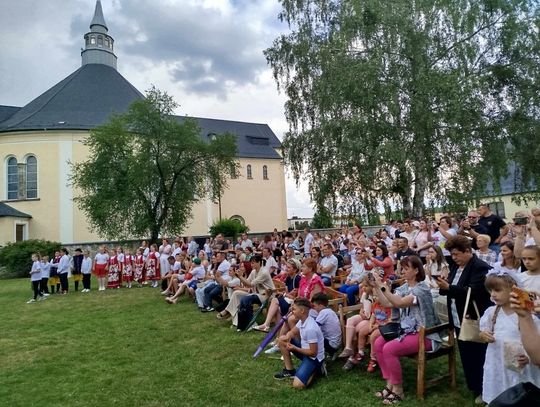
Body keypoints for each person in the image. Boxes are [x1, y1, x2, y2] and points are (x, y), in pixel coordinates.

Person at [371, 255, 442, 404]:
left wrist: (383, 286)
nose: (402, 271)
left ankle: (398, 390)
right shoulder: (404, 287)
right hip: (407, 331)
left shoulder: (421, 289)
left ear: (416, 270)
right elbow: (387, 303)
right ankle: (389, 383)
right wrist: (376, 286)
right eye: (401, 268)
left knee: (389, 349)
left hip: (426, 334)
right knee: (378, 343)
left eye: (405, 268)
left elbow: (400, 303)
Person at [436, 235, 492, 404]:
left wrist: (449, 287)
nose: (453, 258)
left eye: (456, 254)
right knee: (467, 355)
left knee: (479, 356)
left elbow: (473, 291)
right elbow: (453, 289)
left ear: (467, 251)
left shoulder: (480, 267)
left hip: (474, 320)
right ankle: (474, 386)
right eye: (452, 255)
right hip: (458, 318)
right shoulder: (455, 266)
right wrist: (444, 286)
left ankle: (485, 389)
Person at [478, 267, 540, 404]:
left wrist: (528, 357)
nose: (493, 294)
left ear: (513, 290)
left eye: (497, 290)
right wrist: (483, 335)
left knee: (519, 394)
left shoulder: (526, 316)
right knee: (499, 387)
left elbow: (536, 341)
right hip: (497, 359)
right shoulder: (491, 313)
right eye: (490, 290)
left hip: (519, 362)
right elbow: (482, 331)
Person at [273, 297, 326, 389]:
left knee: (298, 385)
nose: (291, 311)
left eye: (294, 309)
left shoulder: (310, 328)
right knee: (282, 340)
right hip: (305, 352)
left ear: (302, 311)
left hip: (314, 358)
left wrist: (294, 348)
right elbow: (293, 332)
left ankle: (317, 370)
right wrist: (287, 336)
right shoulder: (302, 321)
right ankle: (289, 371)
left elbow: (313, 353)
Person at [252, 258, 301, 332]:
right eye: (286, 267)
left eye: (288, 267)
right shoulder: (288, 278)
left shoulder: (297, 278)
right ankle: (278, 334)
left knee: (275, 301)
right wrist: (285, 294)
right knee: (277, 308)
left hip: (293, 303)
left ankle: (267, 324)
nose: (286, 269)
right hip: (287, 300)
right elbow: (288, 293)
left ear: (295, 269)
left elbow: (296, 297)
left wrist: (285, 294)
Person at [226, 254, 275, 330]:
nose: (251, 264)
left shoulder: (264, 272)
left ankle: (250, 322)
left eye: (253, 263)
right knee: (236, 293)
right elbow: (246, 284)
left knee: (245, 299)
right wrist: (240, 276)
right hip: (257, 294)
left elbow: (251, 284)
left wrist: (240, 277)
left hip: (267, 295)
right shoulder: (253, 272)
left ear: (259, 263)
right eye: (251, 263)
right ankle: (236, 322)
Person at [312, 293, 342, 359]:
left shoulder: (323, 313)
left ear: (320, 305)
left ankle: (318, 357)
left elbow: (314, 327)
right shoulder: (330, 311)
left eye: (315, 306)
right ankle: (331, 353)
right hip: (337, 343)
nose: (314, 308)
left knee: (313, 337)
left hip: (332, 345)